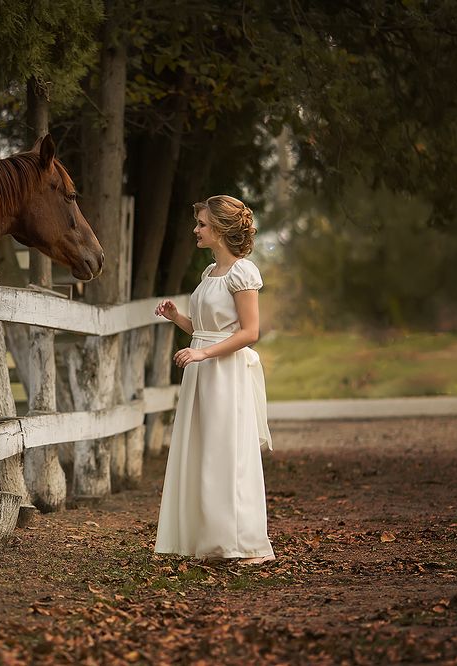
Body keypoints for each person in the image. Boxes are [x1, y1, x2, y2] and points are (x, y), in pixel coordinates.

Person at [153, 194, 275, 565]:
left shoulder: (243, 273)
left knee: (226, 453)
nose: (196, 230)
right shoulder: (209, 274)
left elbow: (249, 332)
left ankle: (239, 542)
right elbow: (206, 330)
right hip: (202, 372)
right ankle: (206, 538)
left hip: (226, 374)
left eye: (202, 225)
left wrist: (203, 354)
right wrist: (178, 319)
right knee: (202, 454)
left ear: (220, 230)